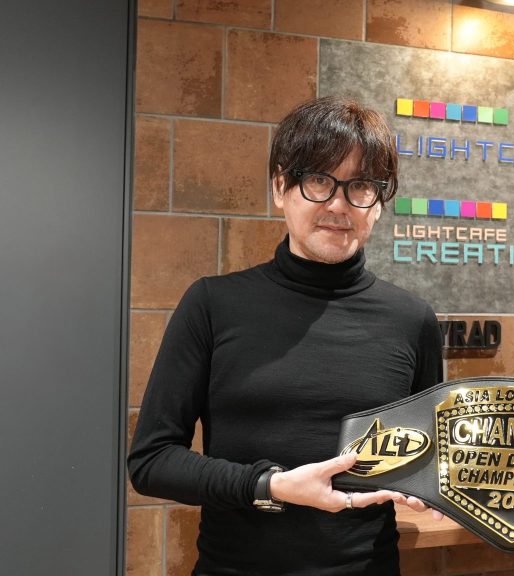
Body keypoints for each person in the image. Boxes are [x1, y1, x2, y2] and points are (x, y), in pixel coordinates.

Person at [128, 96, 443, 575]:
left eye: (361, 186)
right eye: (319, 180)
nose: (338, 204)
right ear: (280, 187)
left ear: (378, 204)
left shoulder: (412, 319)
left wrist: (431, 487)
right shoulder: (213, 304)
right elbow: (152, 461)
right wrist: (270, 485)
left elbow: (425, 457)